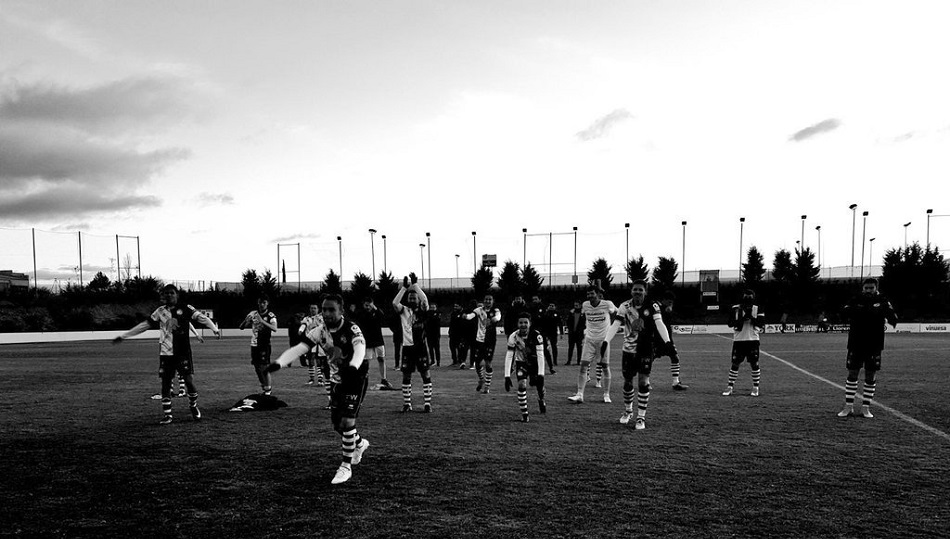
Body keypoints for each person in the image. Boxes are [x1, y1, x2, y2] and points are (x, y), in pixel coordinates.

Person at [266, 294, 370, 485]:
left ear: (341, 311)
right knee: (339, 426)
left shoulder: (351, 328)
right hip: (337, 380)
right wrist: (279, 363)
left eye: (332, 309)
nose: (327, 313)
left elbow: (360, 350)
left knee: (347, 421)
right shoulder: (319, 331)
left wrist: (354, 367)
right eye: (325, 309)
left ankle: (345, 467)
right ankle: (360, 443)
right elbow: (300, 348)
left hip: (356, 378)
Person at [113, 284, 220, 424]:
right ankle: (168, 415)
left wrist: (214, 329)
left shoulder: (186, 308)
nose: (169, 295)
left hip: (183, 352)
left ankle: (193, 406)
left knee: (189, 381)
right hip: (166, 353)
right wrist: (125, 335)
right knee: (165, 383)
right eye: (166, 293)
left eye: (172, 293)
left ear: (177, 295)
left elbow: (202, 318)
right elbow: (145, 325)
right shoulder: (159, 311)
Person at [603, 280, 676, 430]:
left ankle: (641, 417)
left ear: (645, 292)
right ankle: (628, 411)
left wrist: (668, 343)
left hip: (645, 349)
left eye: (640, 290)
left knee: (643, 382)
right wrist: (606, 341)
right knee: (628, 382)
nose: (637, 292)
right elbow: (616, 324)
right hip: (628, 350)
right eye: (635, 289)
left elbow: (659, 324)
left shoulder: (653, 306)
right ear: (631, 291)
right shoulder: (625, 306)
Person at [837, 278, 898, 418]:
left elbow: (892, 316)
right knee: (852, 373)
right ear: (862, 288)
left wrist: (891, 317)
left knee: (870, 375)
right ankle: (848, 407)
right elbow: (843, 312)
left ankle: (866, 408)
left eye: (871, 288)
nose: (869, 290)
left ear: (876, 288)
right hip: (855, 343)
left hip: (874, 344)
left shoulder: (882, 300)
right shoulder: (855, 299)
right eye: (866, 288)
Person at [568, 282, 618, 404]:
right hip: (589, 340)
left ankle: (606, 394)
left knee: (605, 367)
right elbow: (579, 312)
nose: (590, 295)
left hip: (603, 340)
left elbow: (616, 311)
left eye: (592, 293)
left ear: (598, 294)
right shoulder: (585, 305)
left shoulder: (607, 304)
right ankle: (580, 394)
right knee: (583, 366)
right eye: (588, 293)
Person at [392, 275, 433, 412]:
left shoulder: (423, 310)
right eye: (410, 297)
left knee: (425, 374)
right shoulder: (403, 310)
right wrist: (404, 288)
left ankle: (427, 404)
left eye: (414, 297)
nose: (412, 299)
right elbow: (394, 303)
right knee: (406, 375)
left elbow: (425, 299)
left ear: (417, 299)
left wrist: (415, 285)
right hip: (407, 348)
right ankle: (407, 404)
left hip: (421, 347)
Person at [504, 312, 546, 422]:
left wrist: (541, 374)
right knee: (522, 385)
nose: (523, 325)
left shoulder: (537, 336)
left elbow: (541, 355)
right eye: (521, 322)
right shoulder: (513, 336)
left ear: (530, 323)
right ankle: (525, 414)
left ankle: (541, 399)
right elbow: (509, 355)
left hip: (535, 364)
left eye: (525, 322)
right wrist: (507, 376)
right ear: (517, 324)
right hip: (521, 363)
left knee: (539, 387)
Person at [722, 289, 765, 397]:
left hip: (753, 340)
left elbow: (761, 323)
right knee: (735, 363)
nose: (748, 299)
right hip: (739, 340)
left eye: (750, 297)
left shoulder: (758, 308)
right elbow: (730, 323)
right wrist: (742, 318)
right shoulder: (735, 308)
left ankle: (755, 388)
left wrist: (750, 317)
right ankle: (730, 387)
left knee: (754, 363)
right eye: (746, 297)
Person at [239, 295, 278, 395]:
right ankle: (264, 387)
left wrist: (262, 321)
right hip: (254, 344)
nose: (261, 305)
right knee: (257, 367)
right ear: (258, 303)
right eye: (260, 302)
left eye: (264, 302)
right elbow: (241, 327)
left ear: (267, 303)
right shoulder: (253, 313)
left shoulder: (271, 315)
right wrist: (246, 320)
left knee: (264, 367)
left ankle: (268, 391)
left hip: (264, 344)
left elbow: (274, 328)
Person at [463, 294, 502, 393]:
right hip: (479, 340)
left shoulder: (496, 311)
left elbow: (498, 317)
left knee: (488, 363)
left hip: (490, 341)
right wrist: (466, 316)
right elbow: (470, 316)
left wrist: (495, 319)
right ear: (483, 301)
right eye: (486, 299)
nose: (488, 301)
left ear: (493, 301)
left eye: (490, 299)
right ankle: (481, 379)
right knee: (477, 364)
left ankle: (487, 387)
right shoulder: (478, 310)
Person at [357, 297, 394, 390]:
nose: (368, 307)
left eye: (370, 305)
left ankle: (384, 379)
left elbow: (383, 317)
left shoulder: (377, 312)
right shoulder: (362, 314)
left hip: (378, 340)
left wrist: (376, 309)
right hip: (367, 342)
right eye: (366, 305)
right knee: (366, 362)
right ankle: (363, 378)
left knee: (381, 359)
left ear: (373, 304)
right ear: (363, 305)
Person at [655, 290, 688, 390]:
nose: (671, 304)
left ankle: (675, 383)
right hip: (657, 339)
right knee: (649, 359)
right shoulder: (657, 308)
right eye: (669, 302)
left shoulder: (667, 308)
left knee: (675, 357)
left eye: (672, 302)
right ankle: (645, 381)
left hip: (668, 339)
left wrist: (670, 308)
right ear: (664, 300)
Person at [298, 304, 327, 387]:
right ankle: (311, 379)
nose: (313, 310)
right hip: (310, 341)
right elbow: (304, 325)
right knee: (311, 360)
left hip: (320, 342)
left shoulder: (321, 318)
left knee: (319, 361)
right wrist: (300, 330)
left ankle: (320, 380)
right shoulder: (307, 319)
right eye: (311, 308)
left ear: (318, 309)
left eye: (315, 308)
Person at [539, 302, 563, 374]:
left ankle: (555, 361)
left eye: (552, 305)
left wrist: (561, 332)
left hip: (553, 333)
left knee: (554, 346)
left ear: (555, 307)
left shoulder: (557, 314)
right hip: (545, 333)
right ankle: (545, 362)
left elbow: (560, 323)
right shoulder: (545, 313)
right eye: (550, 305)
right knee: (544, 348)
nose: (551, 307)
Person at [565, 301, 585, 366]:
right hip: (572, 334)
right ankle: (569, 361)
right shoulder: (571, 313)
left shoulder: (583, 313)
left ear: (580, 305)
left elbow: (584, 323)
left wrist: (581, 330)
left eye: (576, 305)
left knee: (579, 348)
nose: (575, 307)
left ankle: (579, 361)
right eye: (575, 305)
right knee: (570, 348)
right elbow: (568, 321)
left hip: (579, 334)